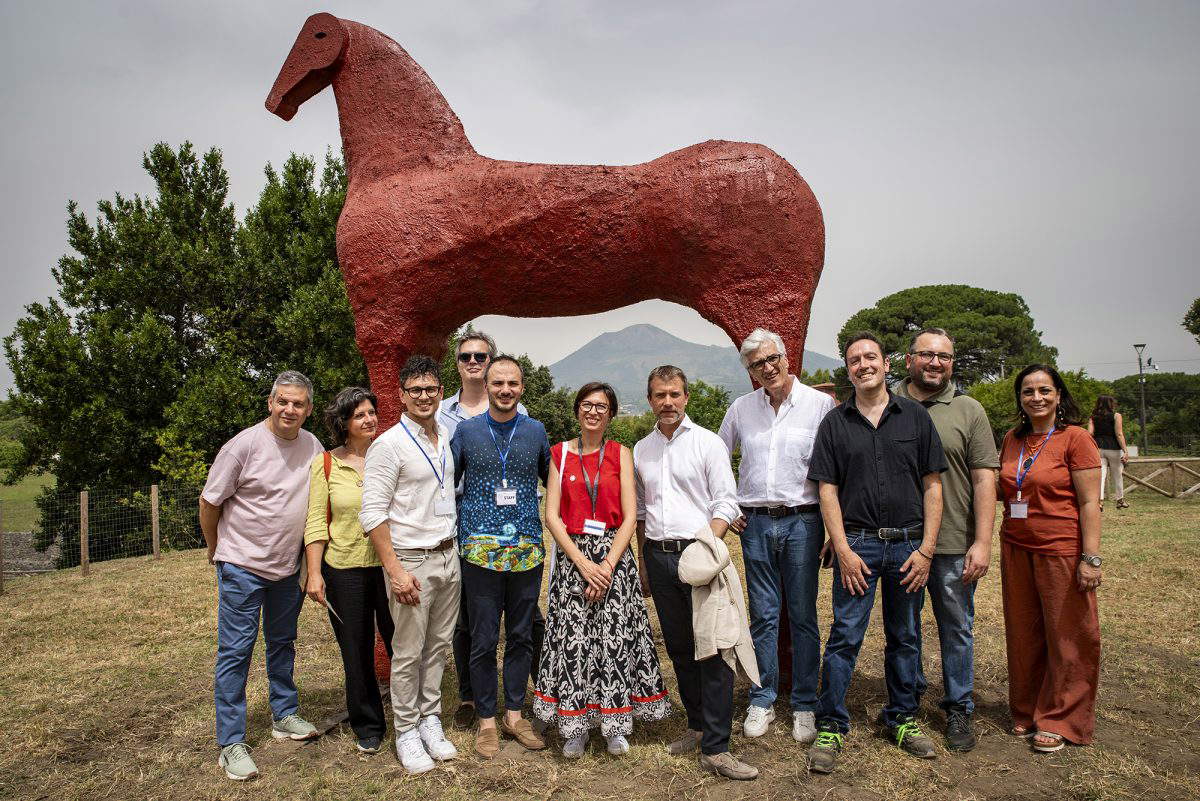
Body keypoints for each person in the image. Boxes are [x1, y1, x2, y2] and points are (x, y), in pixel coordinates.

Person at [805, 332, 947, 774]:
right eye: (854, 360)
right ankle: (831, 725)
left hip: (909, 545)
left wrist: (926, 550)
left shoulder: (916, 418)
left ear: (888, 364)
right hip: (859, 546)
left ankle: (901, 718)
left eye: (870, 357)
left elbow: (933, 485)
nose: (863, 364)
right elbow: (826, 490)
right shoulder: (835, 423)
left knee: (905, 636)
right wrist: (843, 550)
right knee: (845, 637)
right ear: (847, 369)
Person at [199, 370, 326, 781]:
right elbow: (210, 501)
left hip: (286, 568)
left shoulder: (312, 445)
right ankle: (231, 742)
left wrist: (309, 566)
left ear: (308, 409)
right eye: (283, 401)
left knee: (282, 642)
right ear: (270, 403)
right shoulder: (243, 446)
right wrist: (216, 550)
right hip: (242, 567)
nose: (290, 409)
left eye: (299, 403)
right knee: (236, 652)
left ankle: (284, 714)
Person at [534, 382, 671, 757]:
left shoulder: (621, 454)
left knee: (613, 641)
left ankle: (614, 725)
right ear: (577, 410)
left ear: (610, 414)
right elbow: (551, 515)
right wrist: (582, 564)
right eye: (587, 405)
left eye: (602, 406)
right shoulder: (559, 454)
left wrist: (607, 565)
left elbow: (630, 517)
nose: (593, 411)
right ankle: (576, 726)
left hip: (614, 554)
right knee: (574, 641)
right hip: (572, 557)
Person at [634, 366, 758, 781]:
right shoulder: (641, 450)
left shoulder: (708, 443)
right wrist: (643, 564)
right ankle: (698, 725)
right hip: (658, 555)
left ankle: (718, 747)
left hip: (699, 553)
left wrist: (707, 547)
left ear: (685, 397)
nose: (667, 402)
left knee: (715, 648)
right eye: (658, 395)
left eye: (674, 394)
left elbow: (726, 502)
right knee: (681, 648)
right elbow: (639, 512)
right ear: (650, 400)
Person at [718, 328, 834, 744]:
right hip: (756, 523)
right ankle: (763, 698)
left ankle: (804, 703)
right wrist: (728, 507)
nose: (767, 368)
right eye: (756, 365)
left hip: (804, 521)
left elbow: (835, 469)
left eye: (772, 359)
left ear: (786, 357)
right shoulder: (741, 408)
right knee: (764, 617)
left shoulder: (820, 405)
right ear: (749, 370)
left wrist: (832, 528)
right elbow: (717, 458)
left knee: (802, 616)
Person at [894, 328, 998, 752]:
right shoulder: (885, 404)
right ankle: (909, 698)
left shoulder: (969, 410)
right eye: (927, 355)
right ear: (908, 360)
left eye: (944, 357)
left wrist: (984, 541)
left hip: (955, 542)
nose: (935, 363)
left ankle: (959, 706)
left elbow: (984, 477)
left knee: (956, 627)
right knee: (905, 627)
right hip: (900, 541)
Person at [361, 356, 461, 773]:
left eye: (431, 389)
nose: (423, 396)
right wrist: (395, 570)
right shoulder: (389, 445)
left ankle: (430, 719)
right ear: (401, 396)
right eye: (414, 390)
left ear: (441, 393)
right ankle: (406, 731)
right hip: (412, 561)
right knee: (407, 651)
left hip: (448, 555)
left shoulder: (447, 435)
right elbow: (372, 514)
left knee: (438, 646)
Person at [437, 330, 542, 729]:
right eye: (467, 356)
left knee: (522, 630)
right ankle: (478, 708)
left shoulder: (531, 425)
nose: (504, 388)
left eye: (511, 382)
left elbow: (546, 477)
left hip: (524, 544)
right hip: (475, 542)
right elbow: (445, 483)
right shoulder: (456, 424)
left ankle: (515, 709)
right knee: (475, 632)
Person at [998, 364, 1102, 753]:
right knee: (1024, 633)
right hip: (1016, 547)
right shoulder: (1013, 438)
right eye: (1028, 392)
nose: (1036, 398)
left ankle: (1061, 716)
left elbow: (1091, 502)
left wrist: (1090, 558)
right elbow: (1003, 486)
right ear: (1020, 399)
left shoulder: (1075, 438)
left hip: (1061, 549)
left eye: (1044, 390)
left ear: (1059, 395)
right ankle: (1027, 708)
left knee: (1069, 634)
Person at [303, 387, 395, 755]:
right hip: (344, 570)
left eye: (372, 412)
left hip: (390, 567)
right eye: (360, 415)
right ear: (344, 423)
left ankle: (410, 718)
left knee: (400, 644)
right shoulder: (325, 463)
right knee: (355, 651)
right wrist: (314, 572)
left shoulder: (388, 456)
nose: (370, 419)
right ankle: (369, 724)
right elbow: (314, 521)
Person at [1087, 395, 1129, 510]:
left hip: (1098, 449)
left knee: (1101, 475)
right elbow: (1119, 434)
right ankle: (1120, 500)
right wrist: (1125, 451)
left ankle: (1100, 502)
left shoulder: (1093, 417)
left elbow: (1089, 433)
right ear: (1111, 404)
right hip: (1114, 449)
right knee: (1117, 475)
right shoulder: (1116, 416)